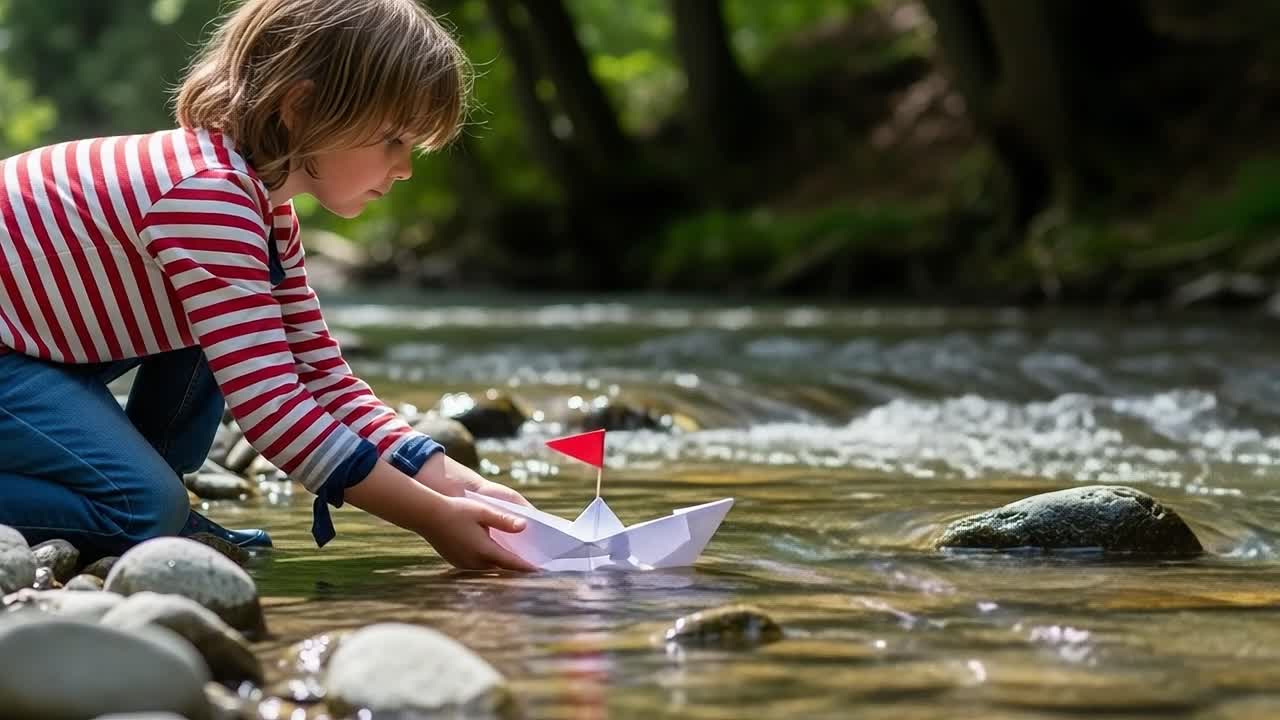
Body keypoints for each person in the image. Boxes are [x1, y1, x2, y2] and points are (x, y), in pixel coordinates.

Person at [0, 0, 536, 570]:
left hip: (35, 343)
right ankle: (153, 511)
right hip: (12, 351)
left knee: (235, 333)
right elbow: (274, 409)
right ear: (301, 107)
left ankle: (159, 497)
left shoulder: (261, 209)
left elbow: (322, 377)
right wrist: (428, 517)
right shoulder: (208, 195)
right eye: (393, 140)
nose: (405, 167)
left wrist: (461, 488)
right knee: (141, 509)